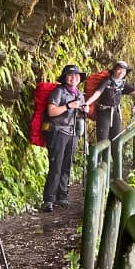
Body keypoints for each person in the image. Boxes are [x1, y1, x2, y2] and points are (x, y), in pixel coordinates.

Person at [41, 64, 90, 213]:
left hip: (72, 132)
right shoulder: (59, 92)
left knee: (67, 164)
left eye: (76, 75)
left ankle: (62, 196)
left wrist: (84, 110)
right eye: (70, 75)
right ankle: (49, 199)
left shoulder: (80, 95)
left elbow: (80, 114)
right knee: (56, 164)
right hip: (58, 132)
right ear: (65, 77)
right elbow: (51, 111)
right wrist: (69, 106)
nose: (74, 77)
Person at [91, 61, 135, 144]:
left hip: (116, 113)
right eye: (119, 70)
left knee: (117, 140)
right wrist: (87, 103)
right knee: (102, 141)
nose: (121, 72)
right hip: (103, 112)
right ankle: (100, 157)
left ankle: (115, 156)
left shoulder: (123, 84)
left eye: (124, 71)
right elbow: (97, 93)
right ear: (114, 70)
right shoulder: (106, 81)